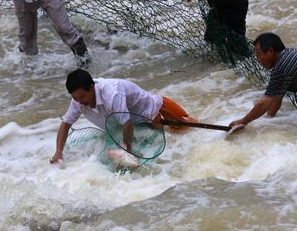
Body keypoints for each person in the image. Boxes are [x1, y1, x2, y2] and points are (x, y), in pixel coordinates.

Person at [50, 69, 197, 163]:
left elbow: (127, 123)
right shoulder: (77, 101)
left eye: (82, 96)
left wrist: (127, 149)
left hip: (151, 109)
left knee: (187, 129)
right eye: (75, 98)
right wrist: (58, 152)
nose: (79, 101)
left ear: (91, 87)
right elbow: (66, 124)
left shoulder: (112, 94)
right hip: (129, 123)